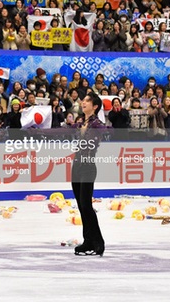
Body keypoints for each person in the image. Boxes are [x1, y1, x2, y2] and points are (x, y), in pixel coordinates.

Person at [71, 93, 106, 256]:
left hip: (88, 166)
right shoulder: (80, 123)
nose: (83, 102)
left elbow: (105, 132)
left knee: (86, 205)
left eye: (87, 101)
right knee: (81, 206)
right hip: (76, 166)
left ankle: (98, 242)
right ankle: (88, 241)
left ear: (95, 106)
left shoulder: (97, 124)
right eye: (83, 100)